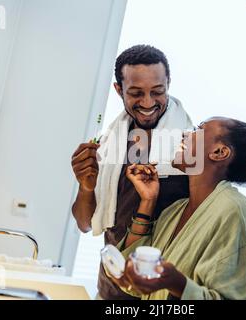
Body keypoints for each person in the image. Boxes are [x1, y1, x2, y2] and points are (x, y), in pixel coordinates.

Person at [108, 117, 246, 299]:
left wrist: (177, 283)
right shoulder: (174, 211)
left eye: (198, 130)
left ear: (219, 152)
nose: (185, 134)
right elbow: (138, 279)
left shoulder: (236, 214)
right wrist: (148, 201)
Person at [71, 45, 193, 299]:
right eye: (136, 93)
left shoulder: (189, 146)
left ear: (168, 83)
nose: (148, 103)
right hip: (112, 289)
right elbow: (84, 223)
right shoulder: (108, 143)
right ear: (119, 90)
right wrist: (86, 186)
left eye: (157, 92)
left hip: (163, 294)